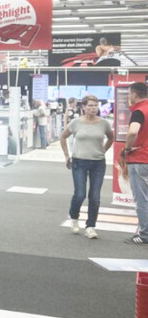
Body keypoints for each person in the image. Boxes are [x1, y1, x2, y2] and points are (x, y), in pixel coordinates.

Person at [59, 94, 112, 238]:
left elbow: (111, 137)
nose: (93, 108)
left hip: (98, 162)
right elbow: (63, 137)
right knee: (80, 194)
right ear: (83, 107)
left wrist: (103, 150)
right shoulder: (76, 123)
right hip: (79, 161)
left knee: (95, 196)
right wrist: (66, 156)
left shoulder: (104, 123)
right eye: (90, 105)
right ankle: (74, 218)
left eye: (95, 105)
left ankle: (90, 226)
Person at [123, 82, 148, 244]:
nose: (128, 97)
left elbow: (133, 131)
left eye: (129, 93)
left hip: (140, 158)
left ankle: (145, 235)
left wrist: (126, 148)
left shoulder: (139, 111)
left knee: (142, 198)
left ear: (135, 94)